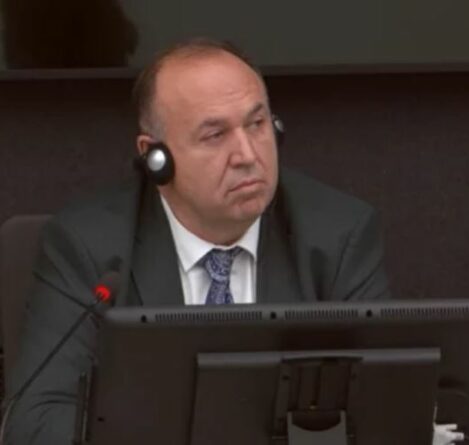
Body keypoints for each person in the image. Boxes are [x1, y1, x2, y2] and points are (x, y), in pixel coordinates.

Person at [5, 38, 391, 444]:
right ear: (156, 157)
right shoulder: (88, 246)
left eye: (257, 124)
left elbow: (384, 408)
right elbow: (35, 421)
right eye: (215, 135)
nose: (247, 155)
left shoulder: (337, 235)